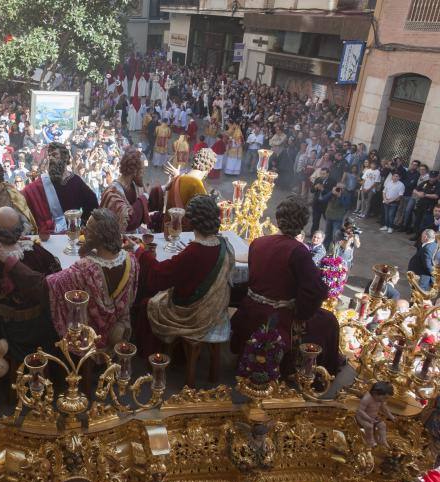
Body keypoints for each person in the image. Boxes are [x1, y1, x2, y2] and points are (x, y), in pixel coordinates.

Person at [0, 208, 138, 348]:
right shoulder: (131, 260)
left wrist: (11, 262)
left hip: (88, 339)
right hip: (117, 329)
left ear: (98, 237)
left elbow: (42, 287)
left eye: (87, 229)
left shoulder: (84, 270)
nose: (83, 231)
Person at [231, 196, 342, 377]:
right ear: (302, 224)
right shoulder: (298, 251)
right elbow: (316, 291)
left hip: (250, 311)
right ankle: (312, 372)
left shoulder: (258, 242)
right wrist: (301, 312)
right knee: (329, 321)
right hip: (280, 318)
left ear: (277, 219)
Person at [132, 195, 235, 358]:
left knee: (147, 303)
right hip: (214, 309)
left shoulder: (195, 251)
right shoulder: (223, 244)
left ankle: (155, 358)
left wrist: (139, 252)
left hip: (191, 314)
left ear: (192, 221)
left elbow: (159, 275)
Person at [0, 207, 61, 364]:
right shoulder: (37, 252)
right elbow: (55, 278)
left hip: (5, 333)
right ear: (20, 230)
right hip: (41, 328)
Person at [22, 142, 98, 234]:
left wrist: (82, 224)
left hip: (72, 232)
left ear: (65, 157)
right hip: (48, 234)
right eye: (49, 155)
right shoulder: (42, 182)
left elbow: (92, 204)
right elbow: (23, 198)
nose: (50, 158)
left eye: (54, 155)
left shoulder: (76, 181)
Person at [99, 149, 150, 233]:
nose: (143, 174)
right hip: (116, 239)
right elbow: (128, 220)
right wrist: (145, 197)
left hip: (132, 237)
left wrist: (163, 188)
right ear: (135, 171)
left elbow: (142, 204)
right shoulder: (113, 192)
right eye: (142, 170)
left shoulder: (133, 185)